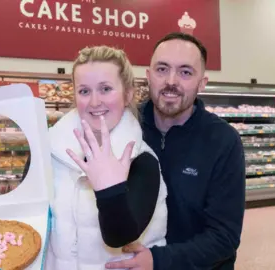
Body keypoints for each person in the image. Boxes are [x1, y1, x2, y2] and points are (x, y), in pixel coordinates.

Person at [105, 32, 246, 270]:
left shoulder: (223, 141)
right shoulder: (123, 127)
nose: (171, 81)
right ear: (148, 76)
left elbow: (224, 237)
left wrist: (158, 260)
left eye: (185, 72)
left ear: (202, 82)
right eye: (162, 69)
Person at [44, 45, 168, 269]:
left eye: (105, 89)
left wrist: (109, 189)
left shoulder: (142, 160)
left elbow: (120, 237)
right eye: (84, 91)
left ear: (127, 93)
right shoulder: (49, 151)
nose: (94, 102)